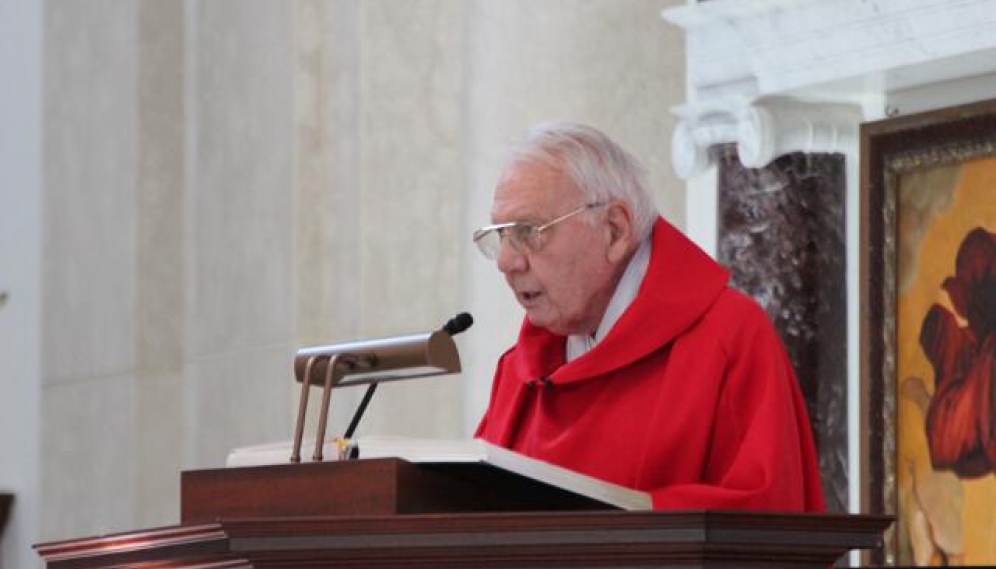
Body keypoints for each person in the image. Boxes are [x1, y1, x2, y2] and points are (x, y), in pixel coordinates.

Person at [473, 121, 826, 512]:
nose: (506, 261)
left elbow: (766, 522)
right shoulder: (520, 373)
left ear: (614, 229)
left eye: (529, 231)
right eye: (501, 236)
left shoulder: (727, 339)